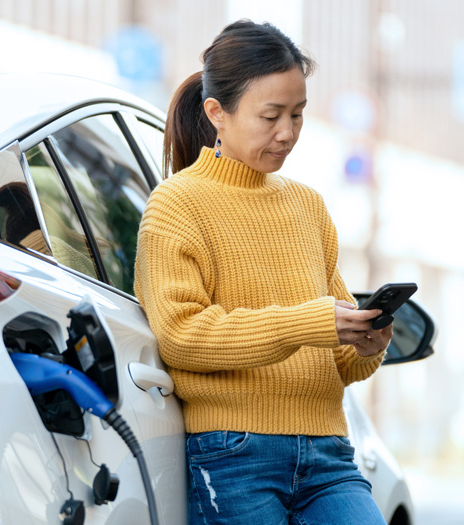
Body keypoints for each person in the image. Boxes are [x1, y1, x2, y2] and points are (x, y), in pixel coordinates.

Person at [133, 20, 393, 524]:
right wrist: (311, 322)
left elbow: (339, 358)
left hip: (328, 453)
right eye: (271, 116)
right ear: (217, 113)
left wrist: (365, 343)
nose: (288, 133)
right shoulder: (175, 206)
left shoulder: (308, 206)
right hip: (234, 455)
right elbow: (182, 336)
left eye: (298, 114)